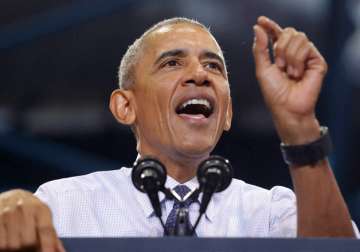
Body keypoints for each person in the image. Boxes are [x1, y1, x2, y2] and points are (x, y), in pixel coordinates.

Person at [0, 16, 357, 251]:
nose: (199, 75)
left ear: (227, 113)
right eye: (172, 63)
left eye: (213, 66)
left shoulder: (271, 214)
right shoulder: (64, 204)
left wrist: (299, 128)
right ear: (126, 106)